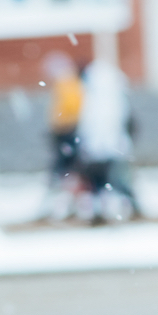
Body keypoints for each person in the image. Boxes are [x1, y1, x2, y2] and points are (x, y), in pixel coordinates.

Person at [74, 57, 140, 224]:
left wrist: (86, 142)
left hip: (100, 147)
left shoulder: (93, 99)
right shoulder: (115, 99)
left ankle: (102, 211)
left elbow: (87, 123)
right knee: (116, 180)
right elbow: (127, 121)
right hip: (114, 147)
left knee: (101, 181)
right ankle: (129, 207)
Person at [40, 52, 85, 220]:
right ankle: (72, 204)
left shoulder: (65, 82)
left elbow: (71, 106)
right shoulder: (69, 82)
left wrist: (60, 124)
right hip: (67, 131)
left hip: (66, 131)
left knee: (64, 170)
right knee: (69, 170)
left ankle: (60, 205)